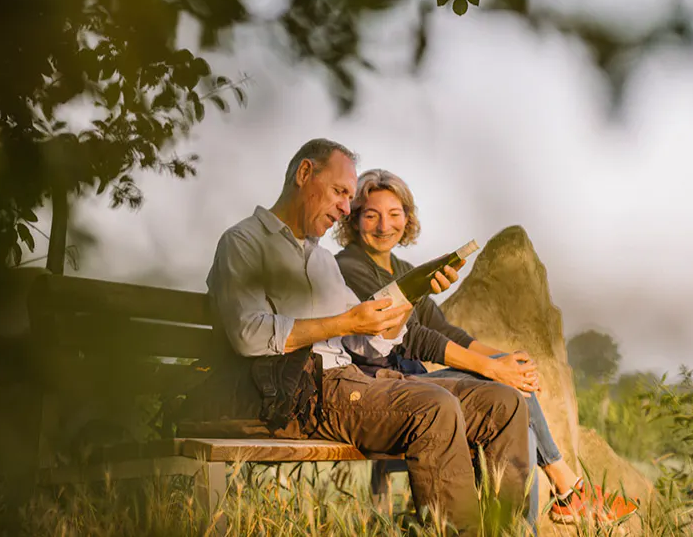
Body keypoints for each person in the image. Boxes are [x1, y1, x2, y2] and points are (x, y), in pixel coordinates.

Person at [204, 139, 531, 534]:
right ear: (305, 174)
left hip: (356, 382)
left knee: (503, 402)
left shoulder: (321, 259)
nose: (346, 207)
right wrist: (344, 323)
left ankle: (509, 531)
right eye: (341, 192)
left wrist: (415, 292)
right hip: (304, 393)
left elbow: (373, 338)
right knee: (434, 407)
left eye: (348, 197)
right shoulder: (243, 242)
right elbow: (247, 332)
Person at [334, 168, 639, 526]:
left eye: (394, 214)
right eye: (371, 215)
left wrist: (503, 360)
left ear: (408, 218)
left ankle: (547, 504)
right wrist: (493, 369)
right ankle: (561, 493)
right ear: (354, 221)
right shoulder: (349, 267)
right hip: (384, 387)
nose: (384, 225)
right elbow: (414, 339)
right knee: (506, 390)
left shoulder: (402, 267)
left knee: (514, 396)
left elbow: (445, 330)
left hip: (413, 383)